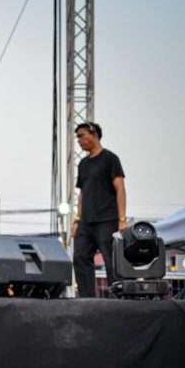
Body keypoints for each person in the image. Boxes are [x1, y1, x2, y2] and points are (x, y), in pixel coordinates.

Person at [70, 122, 127, 297]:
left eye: (82, 136)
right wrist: (77, 220)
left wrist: (122, 219)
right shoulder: (83, 164)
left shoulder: (110, 158)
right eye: (77, 137)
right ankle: (87, 300)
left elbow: (120, 189)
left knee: (111, 260)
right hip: (86, 222)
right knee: (80, 257)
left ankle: (118, 299)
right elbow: (82, 193)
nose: (79, 141)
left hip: (106, 220)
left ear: (94, 134)